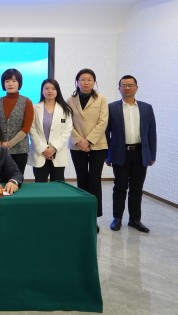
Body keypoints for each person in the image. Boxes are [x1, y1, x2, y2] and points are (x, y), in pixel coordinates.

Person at [106, 75, 157, 233]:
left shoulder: (146, 108)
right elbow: (106, 133)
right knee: (119, 187)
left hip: (140, 153)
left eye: (130, 85)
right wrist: (107, 155)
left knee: (137, 188)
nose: (127, 88)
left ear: (136, 87)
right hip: (120, 153)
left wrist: (152, 155)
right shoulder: (111, 107)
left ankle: (135, 220)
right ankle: (117, 218)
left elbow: (152, 133)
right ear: (119, 88)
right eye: (124, 85)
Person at [67, 68, 108, 231]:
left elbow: (103, 122)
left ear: (94, 82)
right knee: (82, 180)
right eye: (82, 79)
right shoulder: (71, 100)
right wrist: (79, 141)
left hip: (97, 145)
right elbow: (68, 123)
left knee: (95, 181)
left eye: (89, 79)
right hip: (77, 146)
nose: (86, 82)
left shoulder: (101, 99)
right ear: (77, 82)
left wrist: (88, 141)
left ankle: (93, 218)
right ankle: (82, 215)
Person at [28, 78, 73, 182]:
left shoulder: (65, 109)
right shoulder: (34, 108)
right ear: (42, 91)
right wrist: (43, 149)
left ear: (57, 91)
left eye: (53, 88)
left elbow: (67, 131)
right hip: (40, 153)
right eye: (47, 88)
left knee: (58, 185)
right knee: (40, 185)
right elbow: (32, 130)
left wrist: (53, 149)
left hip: (57, 152)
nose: (50, 91)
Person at [0, 68, 34, 175]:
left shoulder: (27, 102)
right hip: (0, 149)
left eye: (14, 81)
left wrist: (9, 144)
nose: (10, 84)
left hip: (20, 150)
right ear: (3, 83)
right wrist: (0, 143)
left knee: (17, 179)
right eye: (7, 81)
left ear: (19, 83)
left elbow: (26, 127)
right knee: (3, 179)